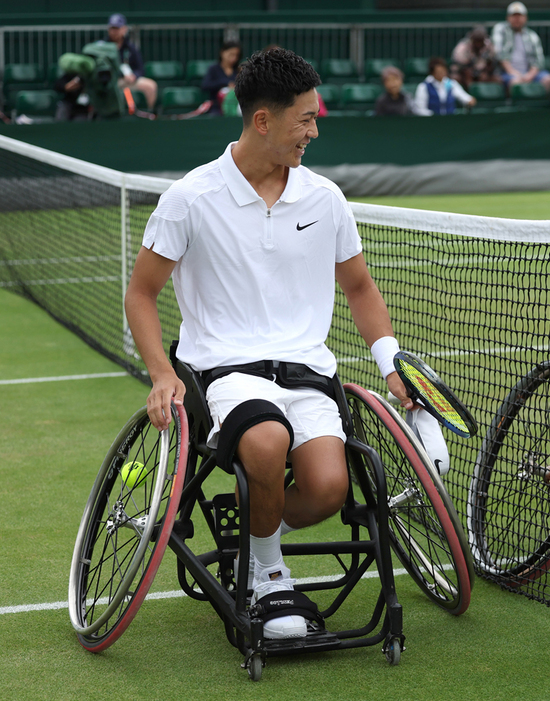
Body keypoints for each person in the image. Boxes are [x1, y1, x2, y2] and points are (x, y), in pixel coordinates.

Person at [124, 47, 416, 641]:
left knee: (330, 487)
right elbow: (141, 294)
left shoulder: (325, 198)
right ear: (263, 121)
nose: (314, 130)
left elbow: (359, 287)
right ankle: (269, 577)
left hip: (307, 372)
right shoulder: (190, 196)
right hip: (225, 372)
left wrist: (390, 363)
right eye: (305, 119)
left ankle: (259, 528)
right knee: (265, 439)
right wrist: (161, 372)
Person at [491, 1, 550, 91]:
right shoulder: (500, 30)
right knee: (516, 82)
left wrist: (529, 75)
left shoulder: (532, 36)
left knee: (548, 79)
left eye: (520, 16)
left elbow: (539, 61)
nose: (517, 19)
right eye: (514, 16)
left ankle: (540, 104)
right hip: (506, 73)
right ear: (508, 18)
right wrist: (514, 73)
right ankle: (512, 104)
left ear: (525, 18)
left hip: (528, 72)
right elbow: (499, 55)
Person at [105, 13, 157, 109]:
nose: (114, 31)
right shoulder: (103, 47)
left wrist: (134, 76)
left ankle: (149, 114)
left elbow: (141, 69)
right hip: (110, 82)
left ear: (124, 29)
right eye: (112, 28)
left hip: (128, 81)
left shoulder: (130, 47)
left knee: (151, 86)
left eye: (117, 28)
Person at [450, 25, 500, 91]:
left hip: (482, 73)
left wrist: (486, 71)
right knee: (456, 78)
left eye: (480, 41)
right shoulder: (462, 47)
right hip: (463, 74)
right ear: (472, 38)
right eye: (476, 41)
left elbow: (492, 62)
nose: (478, 44)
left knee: (497, 79)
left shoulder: (489, 45)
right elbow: (461, 67)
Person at [201, 40, 242, 116]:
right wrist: (225, 83)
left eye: (236, 55)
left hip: (234, 106)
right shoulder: (213, 69)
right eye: (231, 54)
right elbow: (205, 85)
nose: (233, 58)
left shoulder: (238, 70)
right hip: (216, 106)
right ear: (222, 52)